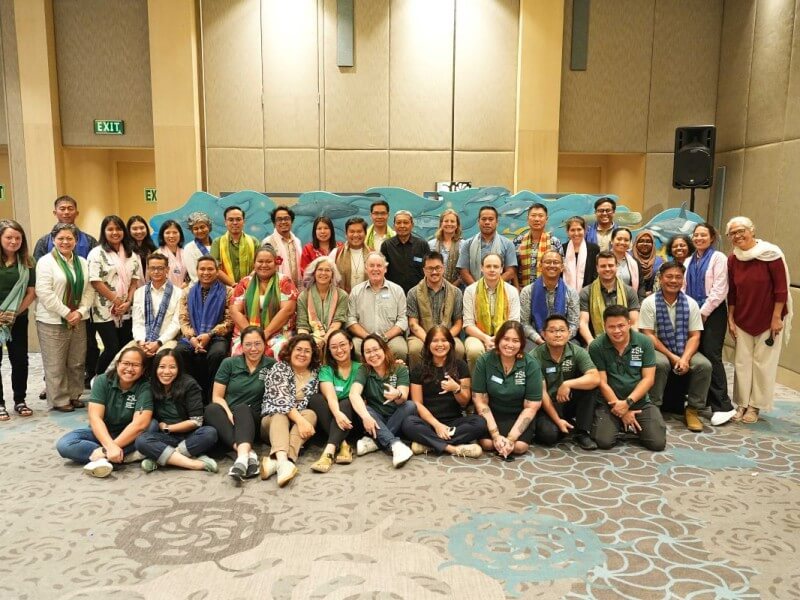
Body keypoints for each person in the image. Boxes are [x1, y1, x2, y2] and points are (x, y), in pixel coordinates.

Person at [726, 216, 792, 424]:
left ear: (752, 230)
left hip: (767, 319)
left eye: (741, 231)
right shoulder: (733, 259)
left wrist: (776, 318)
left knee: (763, 365)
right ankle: (742, 403)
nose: (738, 236)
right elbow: (733, 292)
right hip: (743, 318)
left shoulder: (771, 254)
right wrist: (730, 317)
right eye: (733, 233)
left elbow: (781, 289)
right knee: (742, 363)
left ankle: (755, 406)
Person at [34, 196, 98, 394]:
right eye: (62, 209)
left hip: (81, 312)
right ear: (55, 213)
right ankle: (55, 390)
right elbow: (41, 284)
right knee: (55, 358)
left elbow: (91, 281)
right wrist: (65, 311)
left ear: (76, 212)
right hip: (54, 314)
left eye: (71, 208)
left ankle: (77, 389)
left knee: (79, 356)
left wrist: (80, 310)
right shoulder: (44, 245)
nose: (66, 212)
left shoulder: (89, 241)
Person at [55, 347, 153, 478]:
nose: (129, 369)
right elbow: (95, 418)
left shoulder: (145, 386)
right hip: (103, 432)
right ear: (118, 364)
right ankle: (120, 457)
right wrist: (109, 445)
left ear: (143, 370)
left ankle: (104, 456)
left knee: (152, 426)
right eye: (126, 363)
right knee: (64, 444)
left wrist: (105, 449)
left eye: (136, 365)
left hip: (130, 436)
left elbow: (139, 425)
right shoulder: (102, 380)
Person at [639, 262, 711, 432]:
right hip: (657, 349)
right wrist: (673, 357)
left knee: (704, 365)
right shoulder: (649, 303)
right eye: (669, 276)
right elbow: (648, 335)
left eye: (678, 277)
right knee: (660, 364)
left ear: (683, 280)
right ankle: (653, 408)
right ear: (661, 278)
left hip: (683, 348)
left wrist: (685, 358)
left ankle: (693, 409)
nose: (673, 280)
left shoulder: (691, 304)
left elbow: (695, 336)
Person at [588, 305, 666, 451]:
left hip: (639, 401)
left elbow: (648, 379)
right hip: (610, 403)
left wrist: (628, 403)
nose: (617, 331)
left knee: (657, 443)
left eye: (621, 326)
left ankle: (630, 423)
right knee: (604, 442)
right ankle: (622, 423)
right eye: (611, 327)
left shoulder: (644, 342)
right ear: (604, 326)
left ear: (629, 323)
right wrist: (620, 408)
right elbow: (602, 382)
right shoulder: (596, 346)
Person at [401, 326, 486, 457]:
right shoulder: (419, 369)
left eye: (444, 340)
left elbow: (464, 402)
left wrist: (456, 389)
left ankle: (428, 444)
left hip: (454, 422)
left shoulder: (460, 366)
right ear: (428, 344)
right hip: (429, 422)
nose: (440, 345)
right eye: (435, 341)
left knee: (480, 423)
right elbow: (417, 404)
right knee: (408, 423)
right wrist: (437, 425)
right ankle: (453, 448)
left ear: (451, 344)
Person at [204, 326, 275, 482]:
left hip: (255, 419)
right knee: (211, 409)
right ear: (241, 346)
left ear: (265, 344)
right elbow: (217, 396)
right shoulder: (229, 363)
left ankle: (241, 457)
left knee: (242, 408)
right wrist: (229, 413)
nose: (253, 349)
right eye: (248, 344)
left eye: (257, 343)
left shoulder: (272, 365)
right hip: (229, 417)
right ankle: (247, 455)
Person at [135, 349, 218, 473]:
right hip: (165, 437)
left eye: (172, 367)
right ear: (155, 368)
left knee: (210, 433)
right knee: (141, 441)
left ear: (179, 368)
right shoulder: (150, 385)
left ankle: (161, 458)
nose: (166, 372)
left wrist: (169, 428)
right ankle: (193, 463)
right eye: (162, 367)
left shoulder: (189, 384)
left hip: (189, 435)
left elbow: (196, 421)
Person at [684, 223, 735, 425]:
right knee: (697, 354)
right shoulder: (689, 260)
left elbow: (720, 289)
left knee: (712, 355)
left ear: (712, 237)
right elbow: (684, 287)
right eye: (696, 235)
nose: (699, 238)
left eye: (703, 235)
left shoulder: (718, 258)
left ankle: (723, 405)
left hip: (712, 313)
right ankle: (702, 399)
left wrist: (703, 313)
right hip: (693, 312)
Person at [472, 321, 543, 457]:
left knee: (519, 447)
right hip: (492, 411)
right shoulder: (484, 360)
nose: (510, 345)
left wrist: (511, 439)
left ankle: (508, 441)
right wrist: (495, 435)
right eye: (506, 339)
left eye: (515, 341)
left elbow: (531, 406)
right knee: (487, 444)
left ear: (522, 343)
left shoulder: (531, 364)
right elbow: (480, 400)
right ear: (498, 340)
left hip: (518, 412)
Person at [259, 334, 320, 487]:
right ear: (291, 351)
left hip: (297, 424)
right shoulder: (280, 368)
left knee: (311, 414)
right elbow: (282, 402)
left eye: (307, 351)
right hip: (272, 423)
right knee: (281, 414)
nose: (302, 354)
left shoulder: (316, 373)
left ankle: (281, 462)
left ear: (312, 354)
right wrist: (301, 421)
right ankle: (283, 461)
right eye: (298, 349)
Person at [531, 315, 600, 450]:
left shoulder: (577, 351)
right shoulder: (534, 356)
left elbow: (595, 377)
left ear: (569, 333)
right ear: (543, 334)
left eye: (562, 330)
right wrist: (557, 421)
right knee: (548, 436)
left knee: (590, 387)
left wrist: (568, 384)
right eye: (552, 331)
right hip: (547, 405)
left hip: (568, 400)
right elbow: (542, 393)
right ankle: (561, 424)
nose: (558, 334)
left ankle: (582, 431)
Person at [348, 334, 415, 467]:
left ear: (384, 349)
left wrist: (397, 394)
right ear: (364, 356)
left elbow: (404, 396)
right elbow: (354, 394)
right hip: (375, 418)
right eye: (368, 352)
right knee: (363, 408)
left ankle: (375, 441)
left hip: (396, 417)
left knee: (410, 406)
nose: (372, 354)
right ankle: (396, 445)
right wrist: (366, 417)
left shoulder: (399, 368)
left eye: (376, 349)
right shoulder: (364, 370)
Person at [88, 215, 142, 376]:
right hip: (103, 308)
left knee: (125, 347)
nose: (115, 232)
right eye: (110, 229)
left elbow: (135, 281)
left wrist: (128, 302)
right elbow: (95, 281)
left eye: (118, 229)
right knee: (111, 347)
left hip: (126, 308)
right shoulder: (96, 253)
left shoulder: (132, 254)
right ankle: (98, 378)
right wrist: (116, 301)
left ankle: (120, 379)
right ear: (103, 232)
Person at [174, 255, 233, 397]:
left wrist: (210, 334)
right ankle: (189, 394)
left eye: (210, 269)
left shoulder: (228, 291)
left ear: (217, 271)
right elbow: (183, 319)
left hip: (216, 336)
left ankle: (212, 396)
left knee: (217, 353)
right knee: (180, 351)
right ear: (197, 271)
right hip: (192, 336)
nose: (206, 272)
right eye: (202, 269)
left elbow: (229, 321)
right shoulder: (188, 292)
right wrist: (192, 337)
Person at [230, 245, 298, 357]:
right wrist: (252, 335)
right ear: (254, 263)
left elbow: (287, 310)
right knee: (239, 352)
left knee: (278, 350)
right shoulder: (245, 282)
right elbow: (234, 311)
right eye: (260, 261)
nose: (264, 265)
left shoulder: (284, 281)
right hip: (246, 332)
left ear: (276, 263)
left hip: (278, 333)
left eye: (268, 261)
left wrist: (265, 334)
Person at [307, 330, 361, 473]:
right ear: (329, 350)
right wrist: (337, 413)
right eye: (334, 347)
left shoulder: (361, 368)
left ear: (350, 345)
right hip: (334, 417)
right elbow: (330, 395)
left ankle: (328, 452)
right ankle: (343, 444)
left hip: (353, 420)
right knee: (315, 399)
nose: (339, 350)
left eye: (342, 345)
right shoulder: (326, 369)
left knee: (347, 401)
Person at [0, 220, 36, 421]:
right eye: (9, 237)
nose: (14, 241)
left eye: (18, 238)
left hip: (18, 318)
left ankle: (19, 400)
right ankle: (0, 404)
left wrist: (13, 313)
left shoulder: (27, 261)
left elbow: (31, 292)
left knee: (20, 360)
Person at [463, 253, 521, 373]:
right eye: (488, 266)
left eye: (496, 266)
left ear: (501, 269)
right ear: (482, 268)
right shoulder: (470, 291)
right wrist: (486, 339)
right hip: (478, 336)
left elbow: (514, 323)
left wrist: (498, 338)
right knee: (474, 350)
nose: (492, 270)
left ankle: (503, 387)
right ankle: (477, 388)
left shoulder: (512, 291)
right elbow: (468, 324)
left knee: (508, 348)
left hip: (506, 336)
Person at [346, 252, 408, 361]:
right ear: (366, 269)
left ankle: (393, 377)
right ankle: (363, 377)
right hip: (363, 337)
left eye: (379, 266)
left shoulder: (397, 290)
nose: (375, 269)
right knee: (354, 347)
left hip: (390, 338)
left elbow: (402, 320)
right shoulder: (356, 291)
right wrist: (368, 338)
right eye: (371, 266)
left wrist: (384, 337)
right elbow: (351, 320)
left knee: (400, 349)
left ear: (385, 269)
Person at [407, 251, 464, 367]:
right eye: (430, 268)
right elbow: (413, 324)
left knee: (458, 349)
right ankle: (417, 382)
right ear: (424, 270)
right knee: (415, 349)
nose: (434, 272)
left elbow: (458, 323)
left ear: (443, 268)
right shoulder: (413, 293)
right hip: (421, 336)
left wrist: (443, 339)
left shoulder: (456, 292)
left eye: (438, 268)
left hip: (448, 335)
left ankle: (452, 379)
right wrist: (429, 340)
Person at [519, 250, 579, 349]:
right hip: (536, 338)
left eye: (556, 262)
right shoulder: (527, 291)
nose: (552, 265)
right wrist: (539, 340)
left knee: (576, 350)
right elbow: (524, 323)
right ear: (540, 266)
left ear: (562, 267)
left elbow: (573, 324)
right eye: (547, 262)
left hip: (563, 337)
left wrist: (560, 338)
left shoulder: (571, 293)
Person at [578, 251, 641, 345]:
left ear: (617, 266)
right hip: (596, 342)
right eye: (603, 266)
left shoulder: (629, 291)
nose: (607, 269)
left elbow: (634, 322)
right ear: (597, 268)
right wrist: (592, 343)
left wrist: (632, 344)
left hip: (625, 343)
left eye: (611, 265)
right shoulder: (586, 292)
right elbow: (583, 323)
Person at [128, 253, 183, 359]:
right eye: (152, 268)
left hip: (167, 341)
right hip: (143, 341)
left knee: (161, 358)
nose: (156, 272)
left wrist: (158, 343)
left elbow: (176, 324)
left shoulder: (179, 293)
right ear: (148, 270)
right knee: (122, 357)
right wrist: (141, 342)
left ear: (167, 269)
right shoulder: (139, 292)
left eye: (160, 268)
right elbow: (137, 322)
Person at [296, 256, 348, 350]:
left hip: (335, 338)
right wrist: (308, 344)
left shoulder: (342, 295)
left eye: (327, 270)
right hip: (310, 338)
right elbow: (302, 326)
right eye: (320, 269)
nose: (323, 273)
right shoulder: (303, 296)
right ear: (314, 273)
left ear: (333, 274)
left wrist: (324, 340)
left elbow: (337, 323)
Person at [457, 206, 517, 285]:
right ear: (478, 221)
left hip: (500, 292)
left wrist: (493, 286)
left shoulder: (508, 244)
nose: (487, 222)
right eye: (484, 219)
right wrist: (477, 288)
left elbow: (511, 271)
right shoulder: (468, 244)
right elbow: (463, 271)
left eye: (491, 219)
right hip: (474, 292)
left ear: (497, 222)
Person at [513, 203, 563, 289]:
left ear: (546, 219)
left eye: (540, 216)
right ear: (528, 219)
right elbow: (513, 269)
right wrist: (517, 289)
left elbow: (560, 269)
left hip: (548, 290)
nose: (537, 219)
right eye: (533, 215)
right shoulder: (518, 242)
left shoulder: (554, 242)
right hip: (523, 290)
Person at [381, 210, 429, 294]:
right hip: (393, 293)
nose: (402, 226)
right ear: (394, 226)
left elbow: (428, 269)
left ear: (412, 225)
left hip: (418, 293)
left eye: (406, 222)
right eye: (398, 223)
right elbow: (382, 271)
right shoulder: (387, 245)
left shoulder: (422, 244)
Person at [211, 206, 260, 286]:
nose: (235, 223)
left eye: (238, 219)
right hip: (225, 289)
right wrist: (233, 285)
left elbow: (260, 265)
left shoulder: (254, 241)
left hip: (251, 287)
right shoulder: (217, 243)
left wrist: (246, 283)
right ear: (225, 222)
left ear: (244, 221)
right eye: (231, 220)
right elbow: (215, 268)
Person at [263, 206, 303, 287]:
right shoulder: (268, 242)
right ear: (274, 224)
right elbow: (264, 269)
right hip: (276, 288)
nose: (283, 222)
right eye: (279, 219)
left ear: (292, 221)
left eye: (286, 218)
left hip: (297, 289)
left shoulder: (297, 242)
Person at [562, 216, 600, 293]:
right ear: (567, 232)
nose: (576, 233)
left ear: (585, 230)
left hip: (589, 293)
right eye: (572, 230)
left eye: (579, 229)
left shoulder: (594, 249)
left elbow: (596, 273)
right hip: (566, 293)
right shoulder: (562, 249)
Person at [331, 217, 370, 293]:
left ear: (365, 233)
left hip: (367, 300)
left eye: (359, 231)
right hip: (342, 301)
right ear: (346, 234)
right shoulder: (336, 253)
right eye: (352, 231)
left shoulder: (373, 254)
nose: (355, 235)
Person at [428, 208, 462, 286]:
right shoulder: (431, 244)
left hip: (457, 289)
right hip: (434, 287)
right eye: (446, 221)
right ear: (441, 224)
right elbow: (428, 267)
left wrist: (452, 287)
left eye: (452, 221)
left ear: (457, 225)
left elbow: (464, 270)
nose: (449, 224)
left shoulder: (463, 245)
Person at [155, 219, 188, 287]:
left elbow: (190, 274)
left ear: (180, 234)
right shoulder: (157, 254)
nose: (171, 236)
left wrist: (186, 283)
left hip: (183, 292)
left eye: (175, 232)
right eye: (167, 233)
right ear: (162, 235)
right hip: (163, 292)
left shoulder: (186, 253)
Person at [610, 228, 642, 297]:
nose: (622, 242)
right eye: (619, 239)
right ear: (612, 240)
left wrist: (639, 303)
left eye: (626, 240)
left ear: (630, 242)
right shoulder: (601, 259)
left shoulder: (635, 262)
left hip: (629, 303)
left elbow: (641, 286)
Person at [183, 211, 213, 284]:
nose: (199, 231)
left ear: (208, 227)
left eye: (202, 227)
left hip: (219, 287)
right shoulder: (189, 248)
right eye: (195, 228)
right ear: (192, 231)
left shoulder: (217, 245)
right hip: (199, 289)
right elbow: (194, 276)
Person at [632, 230, 663, 297]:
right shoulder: (629, 258)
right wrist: (641, 294)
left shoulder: (659, 261)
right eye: (641, 241)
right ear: (636, 243)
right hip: (631, 298)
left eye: (648, 241)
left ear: (653, 244)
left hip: (653, 298)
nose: (645, 244)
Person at [126, 215, 157, 280]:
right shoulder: (125, 249)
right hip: (131, 287)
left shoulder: (152, 248)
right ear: (129, 230)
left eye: (142, 228)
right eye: (134, 229)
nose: (139, 231)